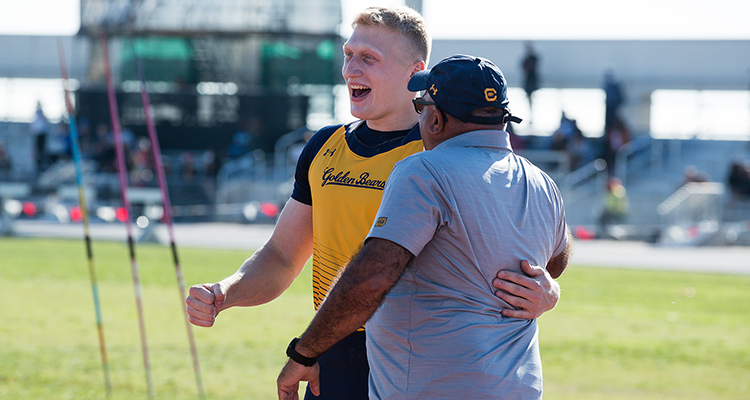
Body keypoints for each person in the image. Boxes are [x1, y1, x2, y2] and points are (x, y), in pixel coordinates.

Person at [186, 7, 561, 400]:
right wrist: (225, 292)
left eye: (369, 58)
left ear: (415, 72)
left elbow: (527, 239)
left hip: (414, 358)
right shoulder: (323, 147)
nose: (350, 69)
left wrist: (548, 289)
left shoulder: (444, 153)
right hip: (328, 347)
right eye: (348, 55)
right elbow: (282, 256)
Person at [277, 54, 571, 400]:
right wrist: (548, 292)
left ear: (436, 120)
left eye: (422, 105)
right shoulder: (541, 182)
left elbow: (372, 278)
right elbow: (556, 260)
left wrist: (305, 352)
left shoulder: (423, 170)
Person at [521, 42, 540, 117]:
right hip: (529, 79)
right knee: (529, 98)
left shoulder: (533, 58)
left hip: (531, 79)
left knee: (531, 98)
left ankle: (532, 114)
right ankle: (531, 113)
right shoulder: (529, 58)